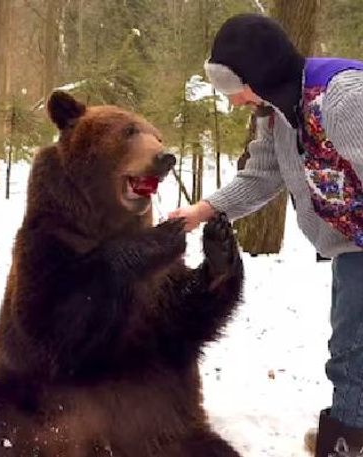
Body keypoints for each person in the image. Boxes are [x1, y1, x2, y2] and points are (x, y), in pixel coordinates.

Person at [168, 13, 363, 456]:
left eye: (234, 87)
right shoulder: (276, 113)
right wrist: (203, 211)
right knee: (352, 341)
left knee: (353, 348)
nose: (234, 101)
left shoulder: (342, 98)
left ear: (261, 71)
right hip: (353, 241)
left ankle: (347, 442)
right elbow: (262, 177)